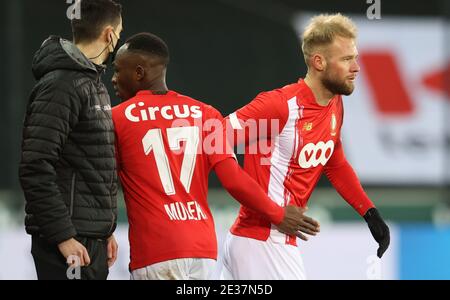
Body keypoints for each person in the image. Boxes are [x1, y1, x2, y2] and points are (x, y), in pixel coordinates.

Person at [111, 32, 320, 280]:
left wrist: (103, 232)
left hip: (157, 250)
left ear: (138, 73)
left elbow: (100, 182)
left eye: (117, 70)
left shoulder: (117, 118)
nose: (113, 79)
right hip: (203, 250)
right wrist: (278, 213)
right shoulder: (206, 114)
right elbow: (233, 179)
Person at [218, 13, 390, 280]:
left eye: (355, 57)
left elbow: (335, 163)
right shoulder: (279, 105)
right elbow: (214, 140)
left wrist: (370, 213)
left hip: (262, 243)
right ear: (319, 62)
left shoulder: (334, 104)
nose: (356, 67)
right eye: (346, 59)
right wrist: (273, 212)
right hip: (264, 243)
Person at [19, 0, 123, 280]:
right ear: (109, 34)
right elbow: (35, 165)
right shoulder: (62, 84)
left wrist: (105, 228)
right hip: (69, 243)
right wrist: (64, 237)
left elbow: (88, 163)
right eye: (119, 34)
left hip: (89, 239)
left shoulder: (91, 82)